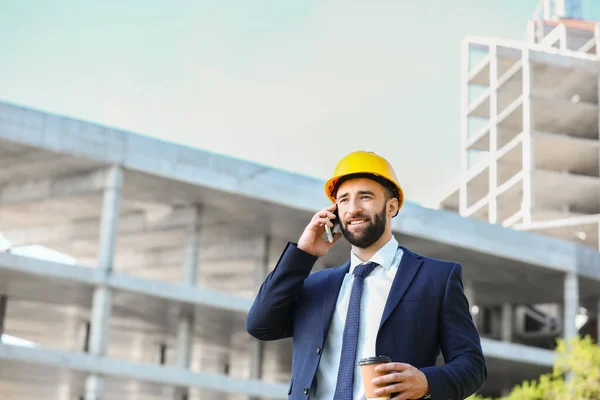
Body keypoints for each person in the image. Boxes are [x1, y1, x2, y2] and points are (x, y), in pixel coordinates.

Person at [246, 151, 486, 400]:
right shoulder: (316, 285)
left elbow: (472, 365)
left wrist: (427, 382)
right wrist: (304, 253)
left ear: (391, 206)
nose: (353, 209)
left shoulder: (436, 278)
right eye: (344, 200)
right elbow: (260, 326)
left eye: (365, 197)